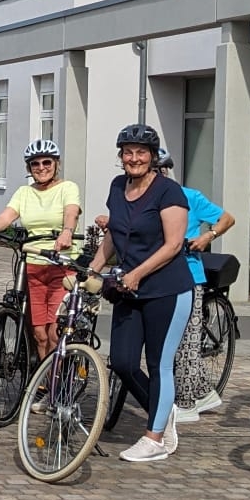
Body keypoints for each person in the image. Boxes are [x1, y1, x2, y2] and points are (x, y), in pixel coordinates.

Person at [92, 124, 194, 462]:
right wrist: (94, 269)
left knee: (158, 363)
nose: (134, 158)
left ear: (152, 157)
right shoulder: (118, 186)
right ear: (121, 156)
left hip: (167, 289)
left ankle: (155, 439)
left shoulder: (169, 192)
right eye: (128, 152)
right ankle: (162, 409)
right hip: (128, 289)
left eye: (141, 152)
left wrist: (136, 273)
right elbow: (114, 236)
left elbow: (174, 244)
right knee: (121, 361)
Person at [155, 150, 236, 423]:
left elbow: (227, 218)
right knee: (168, 341)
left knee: (186, 341)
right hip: (156, 276)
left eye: (159, 170)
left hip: (188, 274)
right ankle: (205, 393)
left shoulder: (189, 196)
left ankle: (187, 401)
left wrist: (207, 236)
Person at [0, 138, 82, 361]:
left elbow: (71, 212)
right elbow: (4, 218)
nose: (41, 168)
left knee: (54, 332)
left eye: (46, 163)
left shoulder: (67, 188)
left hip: (61, 265)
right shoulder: (24, 192)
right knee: (39, 334)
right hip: (33, 265)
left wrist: (67, 232)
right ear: (29, 168)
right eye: (35, 164)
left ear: (56, 164)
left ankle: (55, 381)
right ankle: (42, 380)